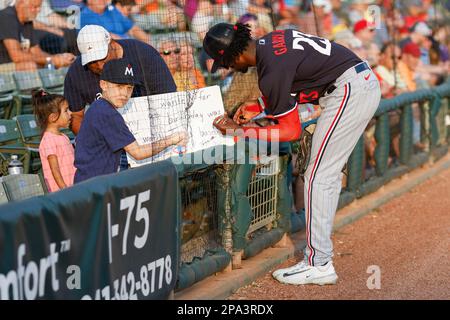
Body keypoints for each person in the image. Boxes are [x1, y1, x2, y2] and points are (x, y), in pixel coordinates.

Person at [204, 23, 381, 285]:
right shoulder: (271, 41)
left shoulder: (270, 71)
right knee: (324, 177)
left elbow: (290, 132)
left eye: (227, 63)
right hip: (355, 84)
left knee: (317, 178)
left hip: (348, 91)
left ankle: (318, 263)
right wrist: (260, 105)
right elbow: (299, 75)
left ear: (233, 56)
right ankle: (319, 258)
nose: (229, 69)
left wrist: (241, 132)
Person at [74, 58, 187, 183]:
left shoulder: (100, 106)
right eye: (119, 86)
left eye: (129, 88)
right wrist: (172, 139)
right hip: (92, 188)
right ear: (103, 85)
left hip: (90, 183)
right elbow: (138, 153)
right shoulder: (105, 112)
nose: (125, 93)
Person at [64, 24, 176, 134]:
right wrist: (93, 141)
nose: (99, 65)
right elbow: (76, 116)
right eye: (92, 61)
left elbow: (168, 98)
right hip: (107, 137)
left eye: (102, 57)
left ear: (112, 43)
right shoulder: (77, 72)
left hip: (151, 128)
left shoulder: (144, 54)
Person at [0, 0, 75, 72]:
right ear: (22, 2)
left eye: (39, 7)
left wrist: (59, 58)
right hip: (4, 66)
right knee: (31, 66)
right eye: (34, 7)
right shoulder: (7, 17)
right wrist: (50, 59)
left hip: (18, 65)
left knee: (60, 65)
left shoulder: (28, 21)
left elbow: (36, 51)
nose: (38, 10)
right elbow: (16, 56)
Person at [33, 89, 76, 192]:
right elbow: (55, 170)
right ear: (53, 117)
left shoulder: (63, 136)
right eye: (66, 110)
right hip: (62, 193)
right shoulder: (48, 140)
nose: (70, 113)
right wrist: (65, 190)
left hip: (73, 187)